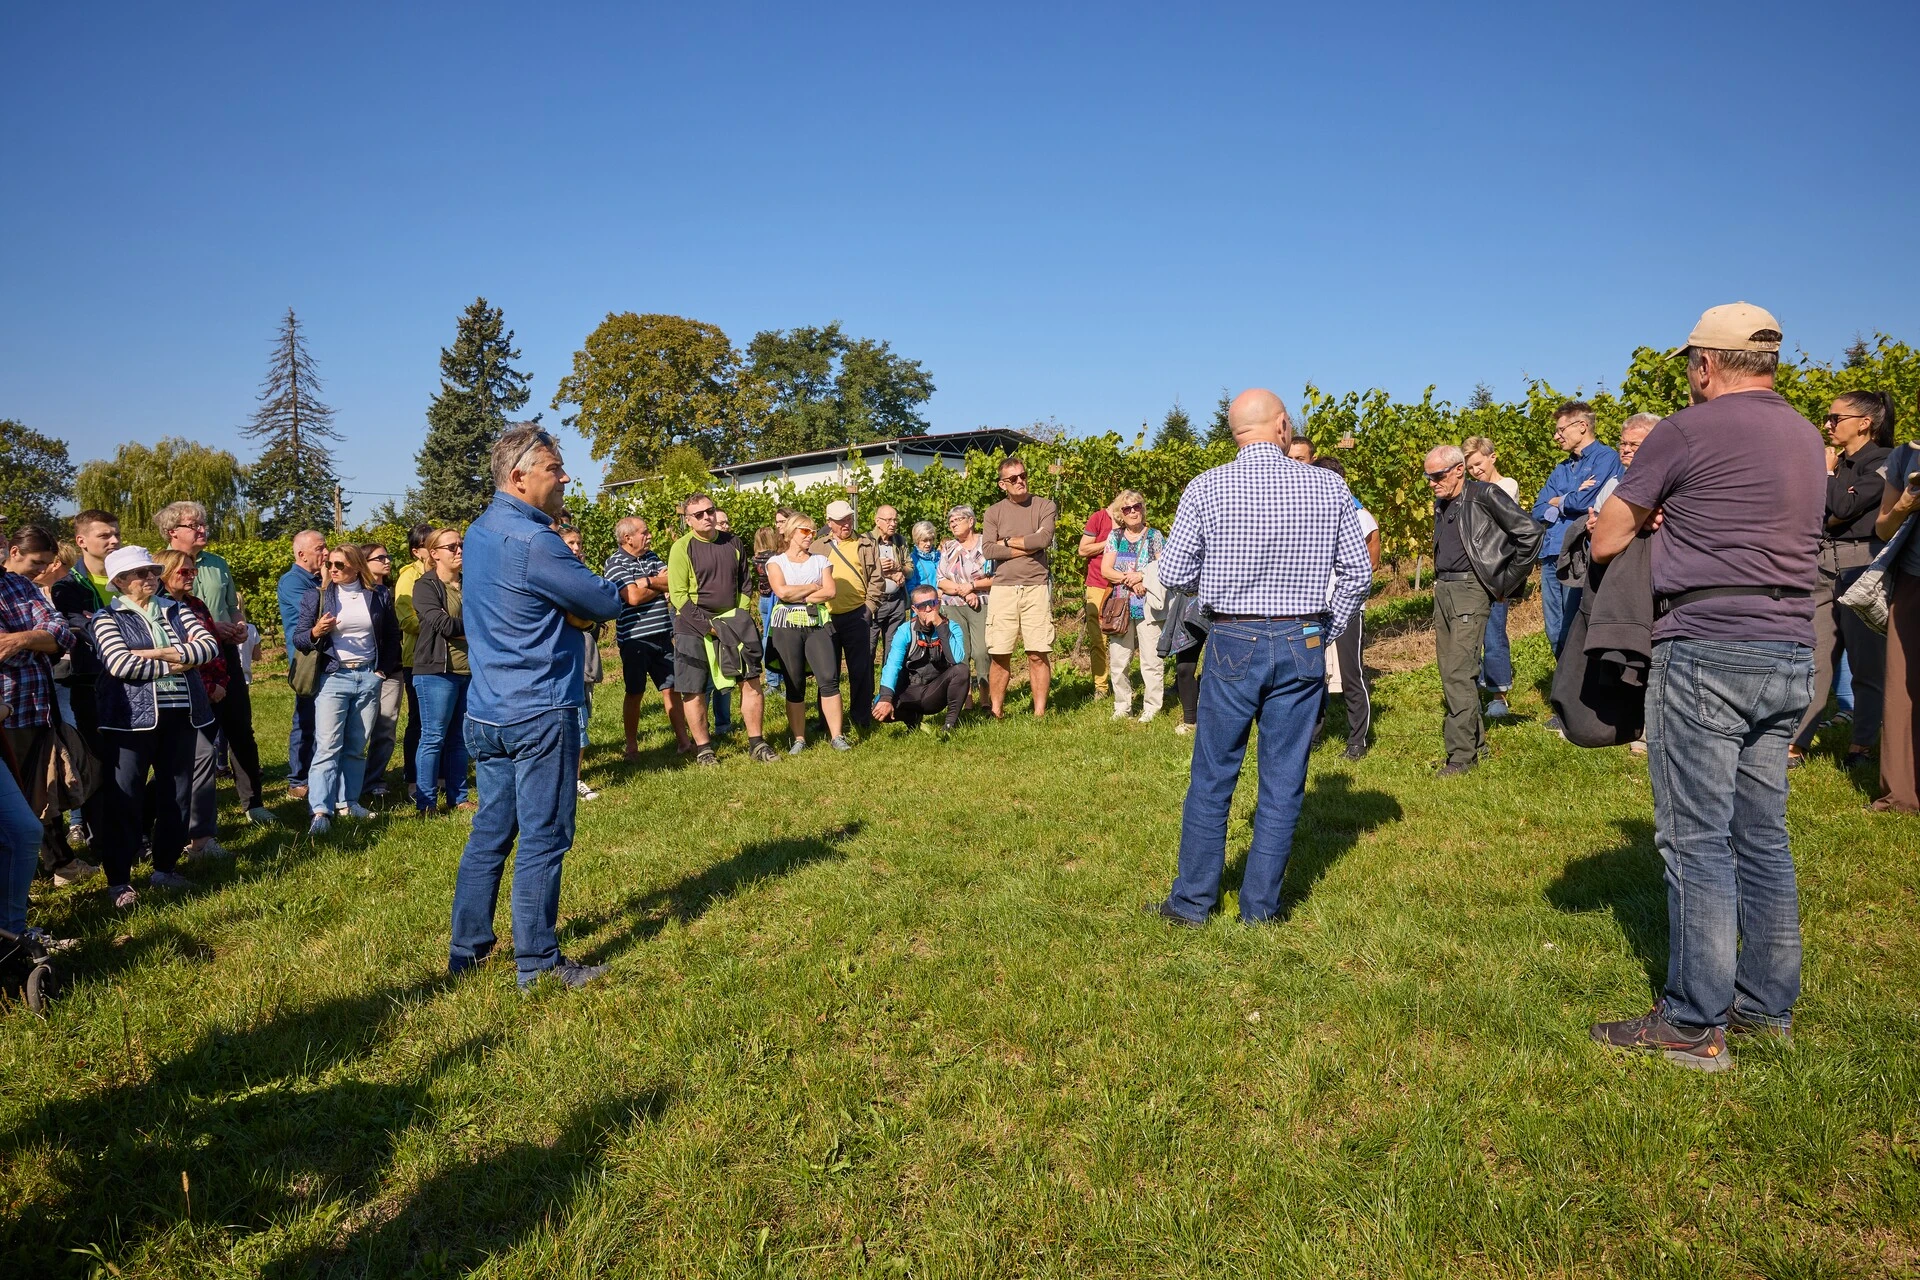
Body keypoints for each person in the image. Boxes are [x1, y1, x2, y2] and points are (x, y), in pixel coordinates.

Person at [1588, 302, 1823, 1069]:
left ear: (1705, 364)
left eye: (1690, 362)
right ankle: (1765, 1007)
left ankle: (1693, 1022)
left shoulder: (1686, 430)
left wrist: (1658, 516)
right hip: (1791, 648)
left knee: (1695, 838)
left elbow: (1607, 533)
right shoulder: (1805, 432)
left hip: (1709, 646)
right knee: (1762, 834)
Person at [1147, 390, 1370, 926]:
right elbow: (1358, 574)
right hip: (1303, 640)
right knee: (1284, 777)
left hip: (1233, 640)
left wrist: (1222, 588)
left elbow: (1174, 573)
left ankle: (1193, 902)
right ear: (1283, 425)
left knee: (1213, 775)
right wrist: (1325, 628)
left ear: (1235, 433)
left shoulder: (1207, 486)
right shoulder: (1328, 485)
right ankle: (1261, 910)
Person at [449, 425, 622, 990]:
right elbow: (599, 599)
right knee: (545, 836)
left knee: (491, 833)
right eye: (555, 468)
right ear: (518, 477)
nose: (566, 477)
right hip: (539, 708)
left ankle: (467, 952)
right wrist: (622, 596)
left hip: (487, 709)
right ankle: (539, 965)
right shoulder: (537, 540)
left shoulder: (477, 532)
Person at [90, 546, 219, 910]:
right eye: (140, 573)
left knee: (177, 794)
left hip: (183, 715)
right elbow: (119, 664)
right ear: (119, 582)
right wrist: (178, 659)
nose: (149, 578)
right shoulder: (105, 617)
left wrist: (154, 654)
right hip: (129, 722)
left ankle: (165, 868)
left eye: (151, 571)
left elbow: (208, 647)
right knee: (125, 797)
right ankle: (119, 880)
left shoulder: (178, 609)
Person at [1788, 391, 1894, 769]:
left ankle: (1861, 746)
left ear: (1864, 423)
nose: (1827, 424)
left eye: (1836, 418)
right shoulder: (1837, 463)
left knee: (1866, 663)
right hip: (1820, 563)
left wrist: (1826, 476)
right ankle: (1795, 743)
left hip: (1861, 566)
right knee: (1812, 660)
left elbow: (1844, 507)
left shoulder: (1884, 461)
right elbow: (1813, 513)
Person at [1425, 445, 1543, 775]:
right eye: (1428, 477)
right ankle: (1475, 746)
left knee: (1460, 674)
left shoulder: (1485, 495)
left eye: (1437, 476)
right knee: (1450, 673)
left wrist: (1505, 583)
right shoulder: (1444, 502)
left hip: (1469, 592)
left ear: (1458, 470)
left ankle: (1461, 758)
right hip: (1445, 590)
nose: (1432, 483)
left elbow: (1531, 533)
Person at [154, 501, 272, 826]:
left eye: (203, 524)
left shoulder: (218, 564)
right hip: (187, 663)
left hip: (225, 657)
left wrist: (240, 626)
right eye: (194, 525)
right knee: (195, 739)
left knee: (240, 730)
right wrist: (210, 629)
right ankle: (192, 816)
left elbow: (233, 605)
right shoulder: (158, 567)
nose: (202, 529)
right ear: (172, 532)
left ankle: (253, 803)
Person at [293, 543, 402, 834]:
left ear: (356, 566)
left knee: (356, 746)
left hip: (367, 676)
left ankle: (348, 801)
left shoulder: (378, 595)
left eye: (339, 565)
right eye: (330, 564)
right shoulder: (317, 596)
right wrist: (317, 631)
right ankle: (320, 810)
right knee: (328, 745)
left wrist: (381, 672)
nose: (333, 570)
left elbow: (392, 635)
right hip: (334, 677)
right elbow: (300, 638)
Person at [671, 491, 779, 766]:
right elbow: (679, 595)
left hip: (734, 622)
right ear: (688, 520)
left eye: (710, 511)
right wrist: (708, 627)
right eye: (699, 514)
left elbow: (745, 582)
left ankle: (756, 742)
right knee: (694, 689)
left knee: (751, 680)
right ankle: (704, 749)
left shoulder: (733, 542)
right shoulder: (681, 548)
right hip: (693, 627)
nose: (707, 517)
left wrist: (739, 615)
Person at [1, 527, 82, 883]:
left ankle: (54, 865)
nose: (40, 571)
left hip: (34, 707)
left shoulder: (18, 586)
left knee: (41, 794)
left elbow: (62, 633)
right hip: (4, 712)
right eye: (37, 563)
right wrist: (38, 644)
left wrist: (19, 640)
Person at [45, 509, 121, 882]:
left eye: (116, 534)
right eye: (105, 535)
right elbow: (81, 632)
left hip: (134, 685)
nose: (113, 540)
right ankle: (103, 841)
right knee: (96, 764)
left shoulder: (127, 575)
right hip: (90, 686)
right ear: (81, 541)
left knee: (129, 764)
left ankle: (132, 832)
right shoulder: (69, 587)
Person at [158, 549, 232, 863]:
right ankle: (147, 834)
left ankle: (200, 840)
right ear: (163, 572)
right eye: (184, 572)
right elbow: (169, 657)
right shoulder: (154, 608)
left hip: (198, 698)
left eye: (193, 571)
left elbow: (210, 650)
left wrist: (220, 683)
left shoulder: (196, 605)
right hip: (163, 700)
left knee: (203, 757)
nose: (192, 576)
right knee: (163, 772)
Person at [1532, 403, 1623, 656]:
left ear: (1582, 426)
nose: (1556, 436)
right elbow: (1538, 509)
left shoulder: (1606, 458)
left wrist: (1559, 500)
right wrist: (1567, 500)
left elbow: (1586, 503)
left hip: (1578, 553)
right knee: (1553, 629)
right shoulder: (1562, 467)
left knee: (1573, 625)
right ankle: (1563, 682)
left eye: (1561, 429)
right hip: (1551, 552)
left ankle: (1574, 688)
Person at [764, 513, 850, 752]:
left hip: (818, 624)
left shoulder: (821, 560)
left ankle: (837, 736)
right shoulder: (776, 562)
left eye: (813, 532)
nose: (810, 536)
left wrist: (798, 593)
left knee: (829, 679)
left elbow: (830, 591)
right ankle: (799, 739)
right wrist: (813, 587)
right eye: (805, 531)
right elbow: (781, 592)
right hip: (786, 626)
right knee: (794, 683)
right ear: (791, 532)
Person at [603, 516, 688, 757]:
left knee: (672, 688)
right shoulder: (614, 562)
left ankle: (683, 741)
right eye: (644, 532)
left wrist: (648, 581)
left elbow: (674, 580)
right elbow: (632, 597)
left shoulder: (651, 557)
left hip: (662, 633)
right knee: (635, 692)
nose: (649, 536)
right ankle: (631, 746)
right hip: (635, 640)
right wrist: (659, 585)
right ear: (627, 538)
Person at [1313, 457, 1381, 758]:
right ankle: (1312, 737)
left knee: (1351, 673)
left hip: (1347, 607)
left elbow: (1372, 563)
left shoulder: (1360, 516)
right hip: (1313, 605)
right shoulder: (1313, 515)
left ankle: (1357, 741)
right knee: (1313, 674)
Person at [982, 456, 1059, 718]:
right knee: (1000, 652)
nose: (1020, 481)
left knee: (1038, 653)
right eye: (1013, 479)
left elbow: (1044, 538)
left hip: (1036, 586)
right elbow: (989, 549)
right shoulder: (993, 512)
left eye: (1023, 476)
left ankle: (1039, 713)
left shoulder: (1045, 505)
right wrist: (1027, 548)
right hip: (1003, 589)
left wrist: (1007, 541)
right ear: (1002, 484)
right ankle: (996, 711)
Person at [1871, 409, 1920, 813]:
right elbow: (1883, 527)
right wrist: (1908, 499)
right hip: (1913, 581)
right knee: (1903, 688)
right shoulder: (1904, 456)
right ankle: (1901, 794)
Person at [410, 528, 471, 815]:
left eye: (461, 545)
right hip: (436, 671)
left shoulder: (471, 583)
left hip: (469, 671)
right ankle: (426, 803)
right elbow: (443, 625)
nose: (459, 550)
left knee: (460, 737)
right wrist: (479, 629)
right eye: (452, 547)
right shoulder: (426, 586)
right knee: (434, 737)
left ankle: (458, 798)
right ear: (434, 554)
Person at [1463, 437, 1521, 718]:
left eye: (1478, 463)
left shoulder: (1506, 486)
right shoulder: (1472, 490)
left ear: (1493, 457)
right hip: (1474, 570)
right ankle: (1473, 688)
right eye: (1469, 466)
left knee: (1494, 631)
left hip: (1497, 570)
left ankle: (1499, 694)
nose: (1475, 470)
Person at [1099, 490, 1166, 721]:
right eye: (1127, 509)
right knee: (1119, 660)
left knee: (1151, 660)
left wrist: (1142, 577)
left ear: (1142, 508)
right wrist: (1131, 578)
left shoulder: (1155, 536)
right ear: (1121, 513)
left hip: (1148, 604)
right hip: (1121, 605)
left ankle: (1152, 707)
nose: (1133, 512)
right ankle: (1122, 706)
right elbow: (1105, 570)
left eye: (1136, 507)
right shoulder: (1114, 537)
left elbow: (1163, 569)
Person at [874, 585, 970, 734]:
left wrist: (940, 626)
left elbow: (956, 659)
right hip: (910, 690)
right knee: (878, 707)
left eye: (932, 604)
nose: (928, 610)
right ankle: (912, 718)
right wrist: (886, 697)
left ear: (938, 603)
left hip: (935, 692)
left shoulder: (952, 627)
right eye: (922, 606)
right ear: (914, 609)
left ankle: (949, 726)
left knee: (962, 670)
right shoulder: (905, 631)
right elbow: (892, 665)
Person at [277, 530, 328, 799]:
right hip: (306, 659)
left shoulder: (320, 578)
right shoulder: (292, 582)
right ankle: (298, 780)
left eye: (326, 547)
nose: (326, 553)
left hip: (327, 658)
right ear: (301, 554)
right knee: (306, 719)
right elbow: (318, 613)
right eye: (319, 548)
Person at [557, 526, 602, 801]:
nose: (576, 548)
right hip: (562, 658)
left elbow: (596, 609)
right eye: (570, 543)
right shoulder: (554, 576)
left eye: (578, 542)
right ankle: (566, 779)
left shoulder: (583, 574)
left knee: (583, 717)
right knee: (570, 719)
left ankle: (575, 777)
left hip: (584, 654)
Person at [358, 542, 403, 799]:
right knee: (359, 729)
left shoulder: (386, 592)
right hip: (362, 669)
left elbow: (392, 631)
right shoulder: (353, 592)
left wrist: (387, 666)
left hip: (391, 669)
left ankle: (374, 779)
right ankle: (350, 780)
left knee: (386, 727)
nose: (387, 561)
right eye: (380, 557)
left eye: (388, 556)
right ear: (364, 562)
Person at [392, 523, 434, 804]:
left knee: (445, 721)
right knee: (419, 721)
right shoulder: (408, 578)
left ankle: (439, 776)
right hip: (417, 658)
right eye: (430, 545)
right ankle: (413, 779)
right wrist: (442, 623)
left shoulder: (449, 575)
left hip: (449, 658)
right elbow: (406, 619)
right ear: (417, 551)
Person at [936, 505, 993, 707]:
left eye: (957, 520)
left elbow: (997, 577)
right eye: (950, 522)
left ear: (971, 521)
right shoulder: (948, 547)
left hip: (983, 604)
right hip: (953, 605)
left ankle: (986, 699)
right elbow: (941, 580)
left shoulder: (987, 543)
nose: (953, 524)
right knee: (962, 653)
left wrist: (973, 587)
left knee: (982, 652)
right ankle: (966, 700)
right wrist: (964, 591)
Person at [1077, 494, 1119, 701]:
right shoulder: (1099, 518)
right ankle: (1101, 687)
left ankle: (1122, 684)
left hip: (1123, 586)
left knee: (1123, 638)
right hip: (1097, 585)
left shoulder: (1133, 521)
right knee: (1098, 640)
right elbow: (1083, 549)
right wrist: (1110, 543)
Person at [869, 505, 911, 656]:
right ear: (877, 521)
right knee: (869, 646)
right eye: (888, 520)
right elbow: (861, 570)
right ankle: (867, 679)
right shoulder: (866, 541)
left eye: (895, 520)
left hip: (896, 601)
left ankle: (889, 679)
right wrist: (883, 570)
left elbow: (910, 570)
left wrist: (899, 569)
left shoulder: (900, 541)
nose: (893, 523)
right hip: (874, 600)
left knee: (895, 648)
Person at [752, 525, 785, 695]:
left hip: (763, 599)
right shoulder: (776, 558)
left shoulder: (756, 558)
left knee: (766, 635)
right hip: (774, 597)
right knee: (777, 638)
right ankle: (777, 678)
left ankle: (772, 679)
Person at [908, 521, 942, 595]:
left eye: (931, 539)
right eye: (925, 540)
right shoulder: (912, 560)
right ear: (917, 540)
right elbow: (910, 587)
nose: (928, 544)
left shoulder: (940, 556)